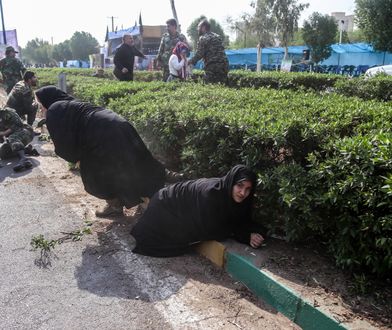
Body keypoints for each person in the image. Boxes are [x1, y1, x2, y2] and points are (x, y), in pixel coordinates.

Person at [34, 86, 166, 217]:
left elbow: (64, 144)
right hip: (120, 125)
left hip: (102, 135)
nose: (40, 108)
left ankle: (115, 205)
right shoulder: (71, 103)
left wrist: (75, 158)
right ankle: (148, 200)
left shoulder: (54, 110)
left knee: (94, 174)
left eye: (40, 104)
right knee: (133, 163)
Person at [130, 165, 265, 257]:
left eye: (248, 189)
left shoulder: (237, 197)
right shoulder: (212, 194)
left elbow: (239, 219)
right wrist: (245, 236)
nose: (243, 193)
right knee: (170, 241)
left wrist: (252, 233)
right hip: (165, 204)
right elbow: (212, 230)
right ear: (231, 182)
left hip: (177, 206)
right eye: (239, 186)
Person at [188, 19, 229, 84]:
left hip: (213, 67)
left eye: (199, 27)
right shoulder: (217, 36)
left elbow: (199, 54)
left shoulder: (203, 38)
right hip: (224, 66)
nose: (197, 29)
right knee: (223, 86)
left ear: (203, 27)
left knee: (209, 87)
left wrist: (189, 61)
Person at [0, 107, 34, 172]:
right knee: (3, 154)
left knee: (12, 137)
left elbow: (18, 124)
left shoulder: (6, 112)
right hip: (14, 139)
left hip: (26, 132)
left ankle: (24, 159)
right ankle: (26, 150)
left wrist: (4, 133)